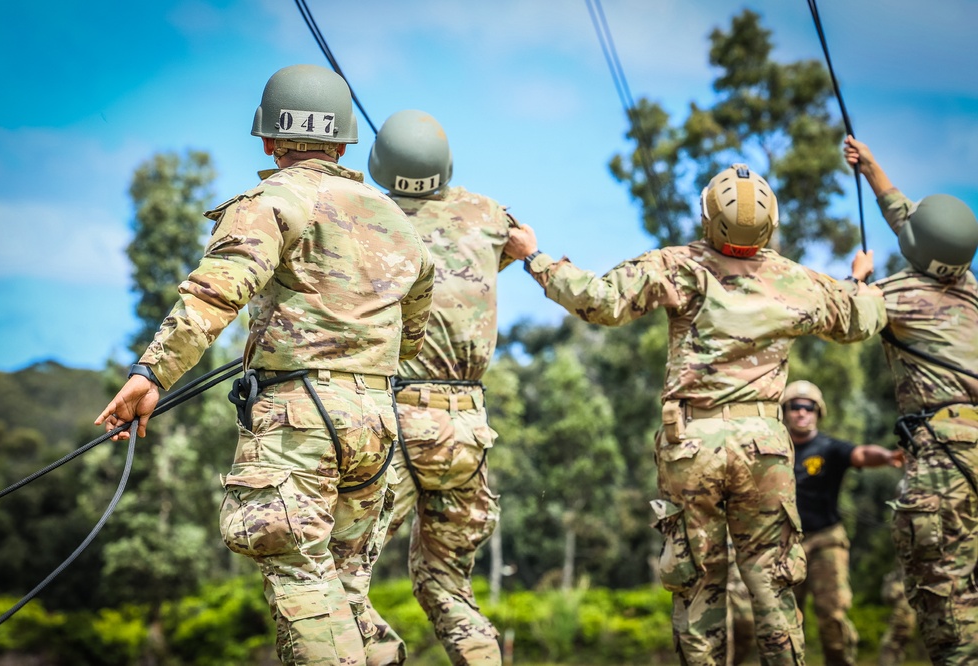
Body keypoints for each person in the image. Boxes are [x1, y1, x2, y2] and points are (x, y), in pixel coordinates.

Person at [95, 64, 435, 666]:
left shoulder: (271, 202)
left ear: (269, 140)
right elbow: (412, 332)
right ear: (343, 141)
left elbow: (213, 295)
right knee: (343, 582)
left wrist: (150, 376)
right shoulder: (397, 221)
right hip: (376, 420)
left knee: (299, 574)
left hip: (300, 419)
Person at [505, 163, 887, 666]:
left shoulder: (678, 264)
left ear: (708, 217)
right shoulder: (795, 279)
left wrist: (534, 256)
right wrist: (860, 283)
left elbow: (598, 301)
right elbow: (860, 320)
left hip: (693, 443)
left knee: (697, 585)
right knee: (773, 587)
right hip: (766, 448)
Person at [361, 109, 513, 666]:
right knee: (446, 584)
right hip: (466, 426)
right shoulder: (488, 214)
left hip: (394, 416)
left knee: (339, 576)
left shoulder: (367, 216)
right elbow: (518, 245)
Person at [845, 136, 978, 666]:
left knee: (946, 598)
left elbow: (847, 322)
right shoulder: (968, 285)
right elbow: (917, 227)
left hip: (945, 457)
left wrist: (858, 283)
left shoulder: (896, 295)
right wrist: (873, 168)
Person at [782, 379, 904, 666]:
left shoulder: (829, 448)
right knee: (784, 621)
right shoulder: (772, 450)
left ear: (818, 412)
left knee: (832, 615)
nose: (802, 412)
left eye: (808, 407)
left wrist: (888, 456)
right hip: (784, 544)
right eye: (795, 407)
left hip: (826, 540)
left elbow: (861, 454)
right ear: (785, 411)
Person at [877, 566, 918, 666]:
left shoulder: (902, 580)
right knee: (897, 648)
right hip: (907, 616)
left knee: (889, 646)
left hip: (903, 615)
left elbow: (889, 596)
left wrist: (888, 583)